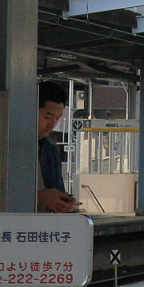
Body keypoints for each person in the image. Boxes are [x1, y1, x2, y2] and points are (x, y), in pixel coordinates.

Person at [37, 81, 79, 213]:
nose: (53, 124)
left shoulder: (51, 151)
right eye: (47, 117)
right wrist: (38, 197)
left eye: (57, 118)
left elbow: (57, 190)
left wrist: (64, 202)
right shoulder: (4, 146)